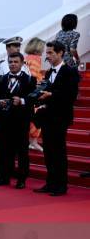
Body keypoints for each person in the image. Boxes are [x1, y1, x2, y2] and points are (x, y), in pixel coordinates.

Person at [33, 41, 79, 196]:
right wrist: (39, 99)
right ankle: (50, 182)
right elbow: (44, 93)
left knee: (59, 151)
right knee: (49, 152)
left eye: (51, 52)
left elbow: (71, 96)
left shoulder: (70, 71)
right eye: (47, 53)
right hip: (47, 117)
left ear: (60, 53)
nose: (48, 56)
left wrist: (51, 95)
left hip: (61, 117)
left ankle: (61, 185)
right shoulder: (48, 73)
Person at [0, 52, 36, 189]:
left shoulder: (30, 80)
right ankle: (3, 177)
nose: (13, 64)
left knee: (22, 151)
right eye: (10, 62)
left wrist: (21, 101)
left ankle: (21, 179)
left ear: (22, 63)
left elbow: (33, 99)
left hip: (21, 121)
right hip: (3, 121)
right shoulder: (1, 79)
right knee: (3, 150)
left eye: (16, 62)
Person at [24, 37, 46, 152]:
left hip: (26, 93)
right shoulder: (36, 59)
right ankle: (33, 142)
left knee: (29, 118)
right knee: (37, 118)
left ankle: (30, 141)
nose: (44, 50)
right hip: (34, 94)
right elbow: (33, 76)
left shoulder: (26, 58)